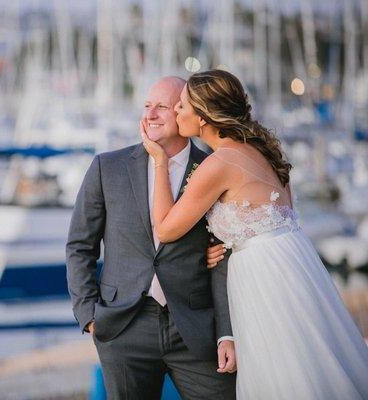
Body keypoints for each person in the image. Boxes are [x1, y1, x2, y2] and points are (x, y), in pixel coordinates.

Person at [141, 69, 368, 399]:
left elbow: (165, 228)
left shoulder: (219, 164)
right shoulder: (263, 152)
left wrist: (160, 161)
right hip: (293, 265)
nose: (175, 111)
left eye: (181, 106)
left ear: (203, 117)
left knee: (284, 374)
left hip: (264, 278)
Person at [66, 76, 237, 399]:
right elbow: (79, 245)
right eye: (147, 106)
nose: (150, 115)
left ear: (186, 113)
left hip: (194, 327)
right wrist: (88, 315)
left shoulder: (213, 168)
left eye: (162, 107)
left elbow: (225, 256)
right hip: (123, 325)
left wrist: (226, 333)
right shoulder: (108, 167)